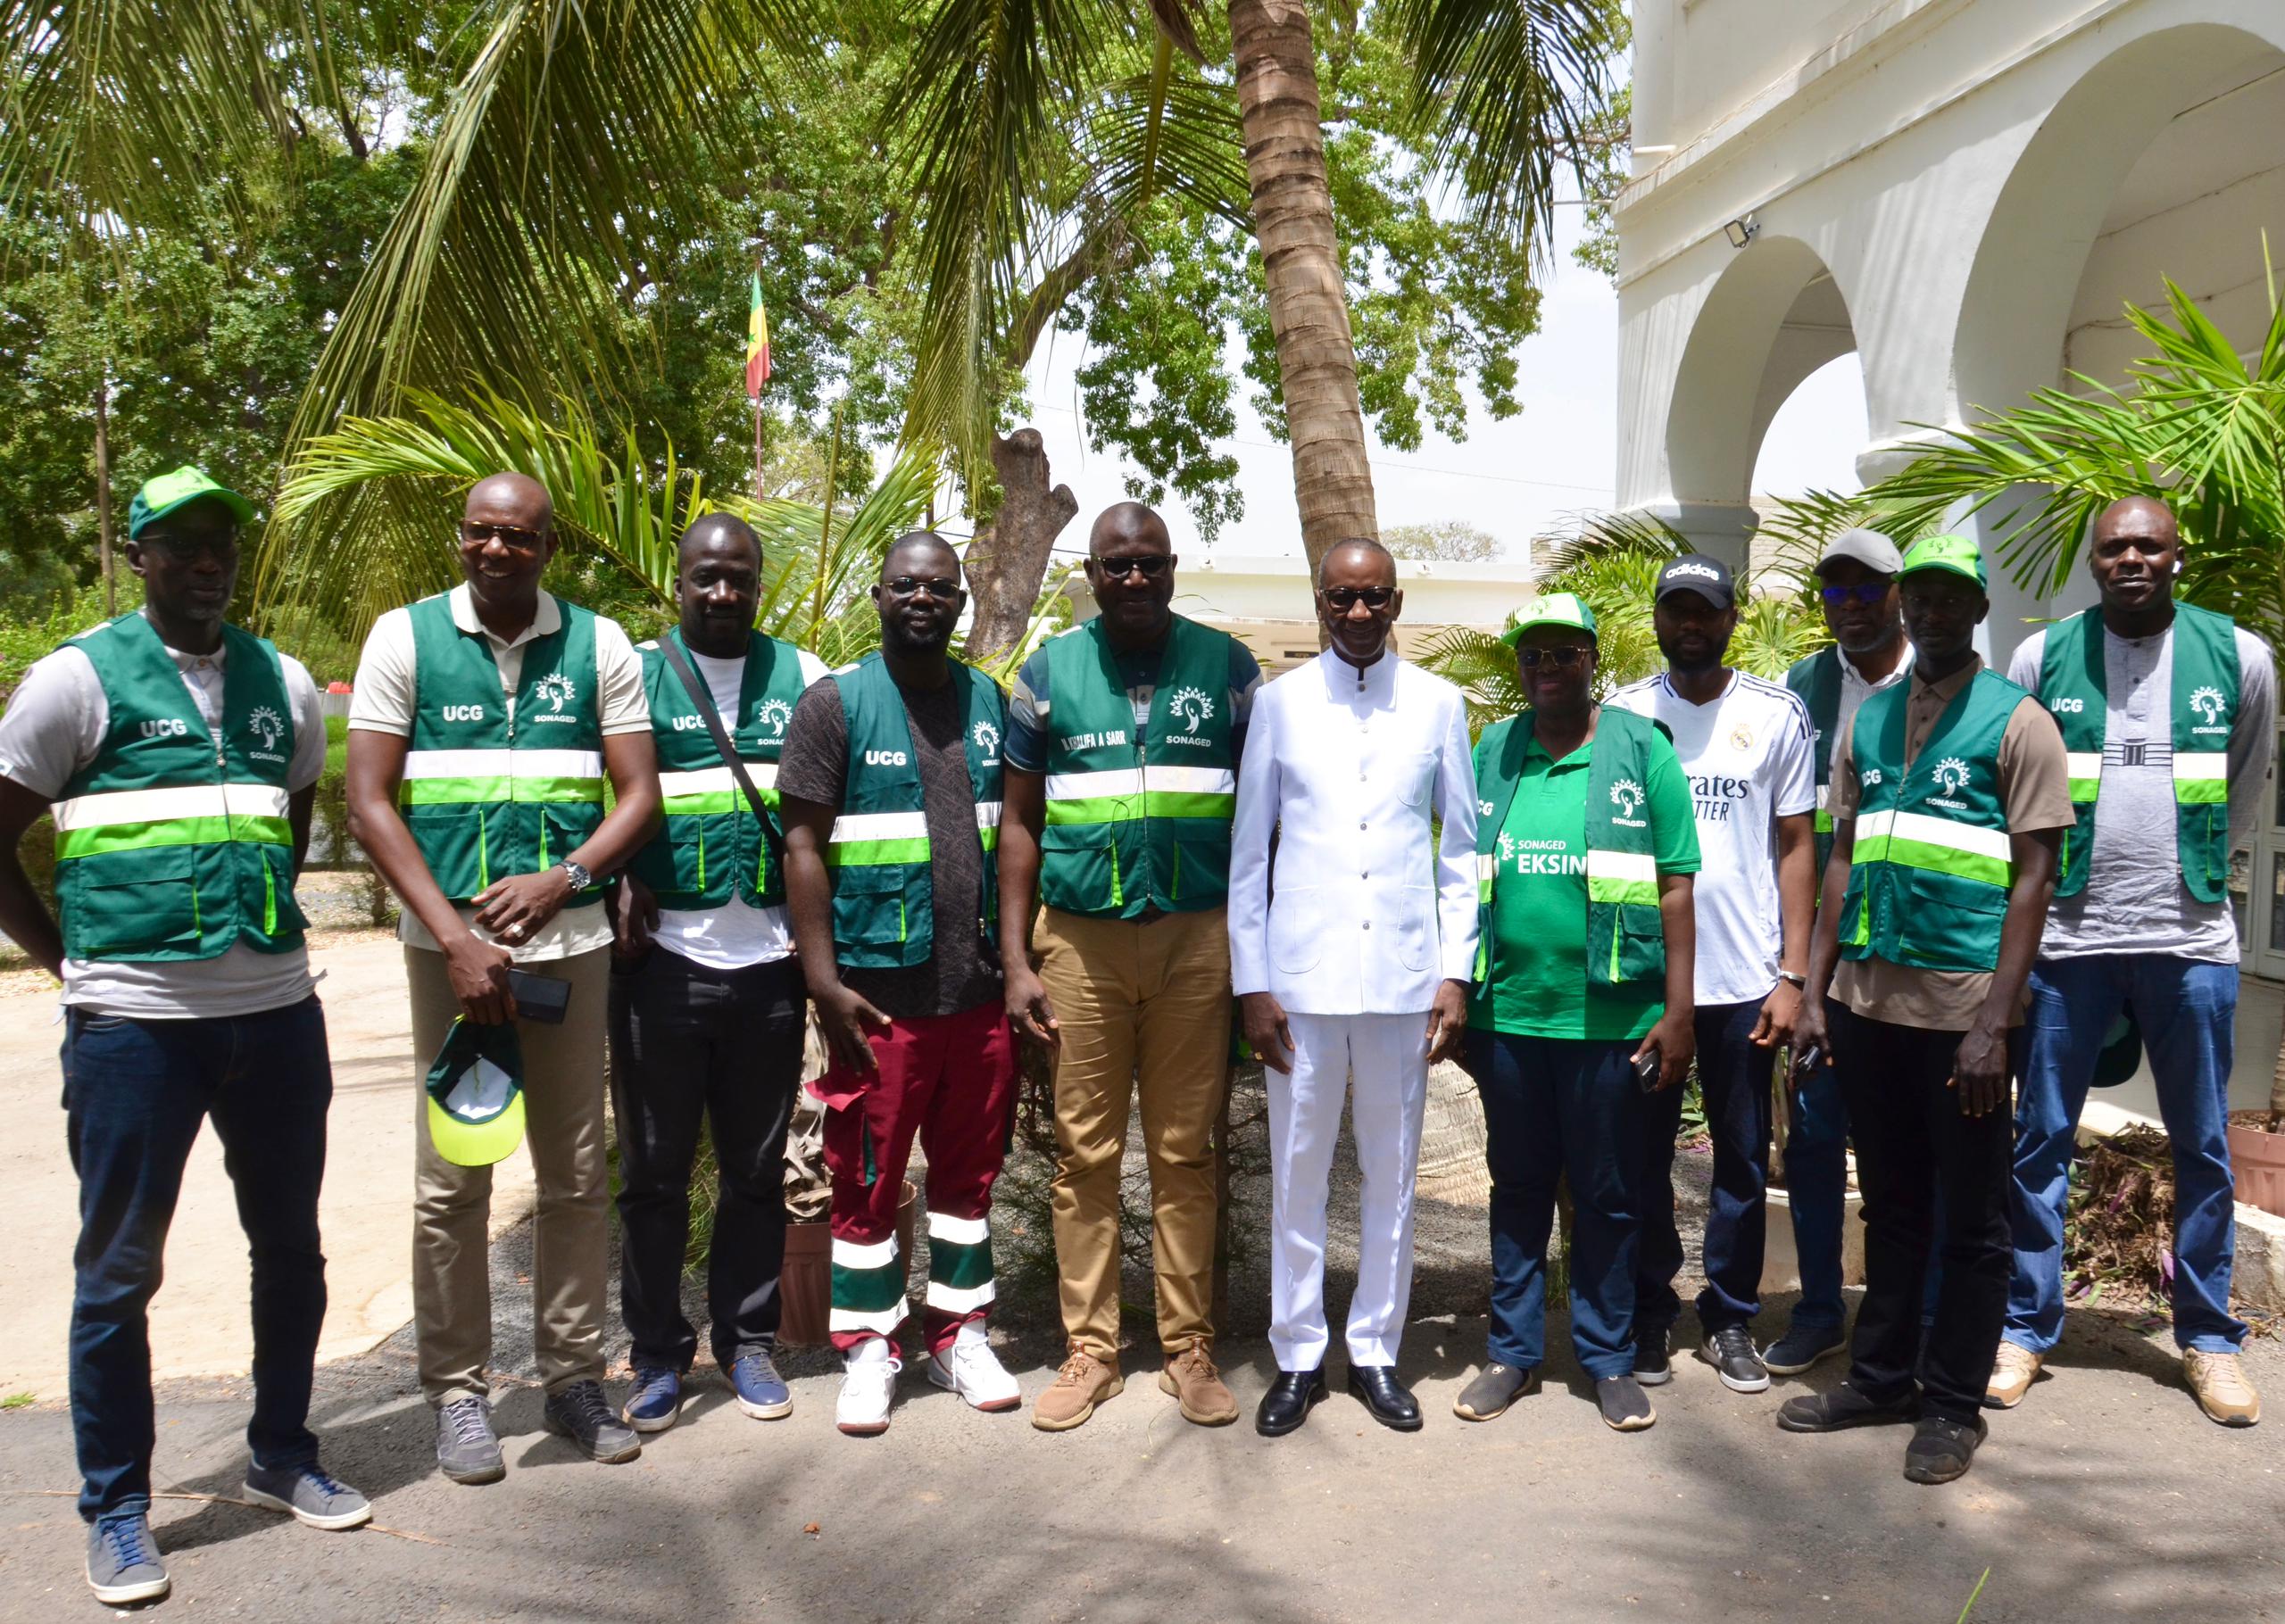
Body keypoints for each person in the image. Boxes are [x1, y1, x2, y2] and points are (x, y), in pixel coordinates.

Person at [0, 468, 366, 1604]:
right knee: (118, 1273)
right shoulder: (74, 681)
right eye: (183, 543)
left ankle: (281, 1451)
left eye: (223, 543)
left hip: (274, 1016)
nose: (207, 560)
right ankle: (116, 1505)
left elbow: (291, 812)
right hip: (133, 1030)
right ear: (141, 551)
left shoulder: (285, 683)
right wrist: (71, 961)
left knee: (290, 1250)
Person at [345, 472, 662, 1482]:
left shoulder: (599, 643)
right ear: (459, 540)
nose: (497, 551)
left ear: (548, 546)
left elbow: (637, 792)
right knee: (454, 1180)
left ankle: (571, 1377)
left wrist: (567, 876)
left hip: (570, 950)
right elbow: (369, 802)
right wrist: (456, 937)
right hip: (451, 957)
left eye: (518, 537)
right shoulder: (404, 638)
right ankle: (459, 1393)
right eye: (481, 534)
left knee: (573, 1175)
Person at [1785, 534, 2073, 1485]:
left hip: (1963, 1018)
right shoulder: (1865, 720)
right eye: (1926, 599)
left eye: (1957, 600)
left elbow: (2034, 878)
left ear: (1978, 610)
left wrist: (1997, 1019)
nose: (1937, 614)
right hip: (1867, 1003)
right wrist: (1821, 989)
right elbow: (1839, 855)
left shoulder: (2016, 722)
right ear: (1906, 604)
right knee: (1897, 1205)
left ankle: (1950, 1402)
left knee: (1973, 1220)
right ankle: (1880, 1380)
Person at [1991, 495, 2274, 1426]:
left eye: (2147, 545)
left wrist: (2196, 875)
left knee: (2200, 1145)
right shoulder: (2041, 658)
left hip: (2188, 941)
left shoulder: (2238, 657)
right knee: (2039, 1138)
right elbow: (2022, 793)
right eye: (2113, 547)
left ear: (2175, 557)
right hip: (2068, 942)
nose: (2130, 559)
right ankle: (2024, 1328)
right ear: (2093, 560)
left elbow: (2241, 782)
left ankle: (2207, 1337)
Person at [999, 502, 1261, 1432]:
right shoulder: (1046, 674)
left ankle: (1188, 1346)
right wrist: (1016, 956)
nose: (1136, 578)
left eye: (1150, 562)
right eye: (1117, 565)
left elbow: (1257, 813)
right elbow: (1019, 821)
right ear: (1092, 574)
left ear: (1174, 567)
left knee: (1187, 1149)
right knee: (1086, 1152)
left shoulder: (1227, 669)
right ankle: (1091, 1351)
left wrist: (1252, 947)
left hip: (1197, 936)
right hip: (1081, 940)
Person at [1230, 538, 1479, 1437]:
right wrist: (1252, 983)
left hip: (1404, 980)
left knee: (1392, 1174)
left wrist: (1454, 970)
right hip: (1300, 983)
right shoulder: (1281, 704)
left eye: (1375, 596)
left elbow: (1459, 853)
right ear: (1321, 602)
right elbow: (1248, 851)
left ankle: (1374, 1346)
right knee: (1297, 1174)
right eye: (1343, 598)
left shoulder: (1440, 705)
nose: (1360, 613)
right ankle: (1297, 1351)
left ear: (1397, 599)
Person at [778, 532, 1021, 1437]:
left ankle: (959, 1333)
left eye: (941, 587)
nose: (924, 598)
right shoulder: (835, 704)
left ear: (959, 602)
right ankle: (869, 1345)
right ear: (879, 596)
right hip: (876, 1001)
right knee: (865, 1182)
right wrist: (821, 979)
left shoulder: (989, 702)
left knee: (968, 1179)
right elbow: (801, 844)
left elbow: (1013, 842)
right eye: (907, 585)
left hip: (978, 996)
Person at [1452, 592, 1699, 1434]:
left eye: (1563, 654)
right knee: (1517, 1187)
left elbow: (1675, 882)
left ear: (1593, 659)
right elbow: (1454, 870)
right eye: (1533, 656)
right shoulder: (1494, 750)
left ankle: (1608, 1357)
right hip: (1510, 1018)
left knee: (1607, 1191)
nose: (1547, 669)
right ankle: (1513, 1354)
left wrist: (1679, 1011)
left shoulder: (1640, 749)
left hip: (1611, 1023)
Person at [609, 515, 829, 1433]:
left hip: (769, 963)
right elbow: (599, 787)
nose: (723, 593)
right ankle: (658, 1353)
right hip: (663, 962)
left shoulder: (806, 675)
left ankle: (746, 1342)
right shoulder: (632, 670)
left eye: (739, 577)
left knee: (753, 1168)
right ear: (679, 582)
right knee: (654, 1173)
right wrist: (616, 872)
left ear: (759, 583)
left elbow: (828, 806)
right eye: (706, 577)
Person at [1609, 555, 1816, 1396]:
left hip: (1744, 981)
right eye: (1675, 611)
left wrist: (1793, 974)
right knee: (1641, 1154)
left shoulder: (1776, 714)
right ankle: (1651, 1311)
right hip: (1647, 984)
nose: (1689, 624)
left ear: (1732, 617)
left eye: (1706, 610)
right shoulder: (1621, 714)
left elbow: (1799, 845)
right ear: (1657, 620)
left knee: (1738, 1157)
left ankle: (1728, 1315)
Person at [1773, 526, 1915, 1375]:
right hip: (1822, 952)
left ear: (1898, 593)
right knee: (1816, 1138)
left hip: (1914, 946)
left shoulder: (1940, 679)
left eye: (1868, 589)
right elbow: (1789, 834)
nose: (1852, 604)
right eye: (1836, 590)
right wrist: (1794, 970)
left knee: (1905, 1145)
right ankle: (1820, 1308)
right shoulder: (1803, 688)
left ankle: (1907, 1315)